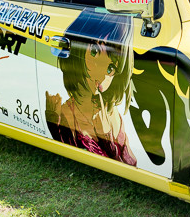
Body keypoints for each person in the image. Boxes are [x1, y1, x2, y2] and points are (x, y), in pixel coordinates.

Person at [44, 9, 136, 165]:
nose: (101, 73)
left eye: (111, 68)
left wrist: (106, 133)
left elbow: (130, 163)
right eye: (95, 52)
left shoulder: (112, 115)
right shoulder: (66, 114)